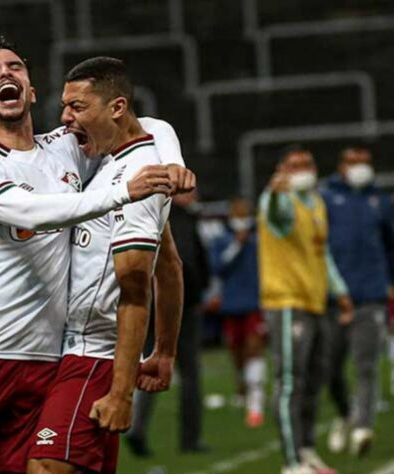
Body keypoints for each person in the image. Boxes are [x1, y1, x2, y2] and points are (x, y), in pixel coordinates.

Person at [0, 38, 184, 474]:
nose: (5, 72)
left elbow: (146, 124)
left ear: (31, 91)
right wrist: (120, 192)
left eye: (15, 66)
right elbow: (33, 211)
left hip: (47, 359)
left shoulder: (66, 147)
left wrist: (174, 160)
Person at [26, 57, 185, 474]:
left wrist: (121, 395)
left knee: (45, 466)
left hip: (92, 356)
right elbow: (169, 265)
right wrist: (164, 353)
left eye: (77, 107)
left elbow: (135, 293)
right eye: (65, 105)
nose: (65, 118)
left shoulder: (139, 180)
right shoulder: (124, 161)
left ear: (115, 108)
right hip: (78, 355)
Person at [258, 147, 353, 474]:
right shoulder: (279, 199)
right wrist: (274, 193)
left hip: (315, 301)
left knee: (315, 380)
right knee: (289, 383)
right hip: (286, 302)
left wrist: (339, 290)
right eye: (294, 165)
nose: (302, 170)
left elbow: (320, 252)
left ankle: (307, 449)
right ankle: (291, 461)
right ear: (281, 169)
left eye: (307, 164)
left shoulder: (316, 204)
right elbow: (277, 215)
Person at [320, 147, 394, 456]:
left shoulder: (381, 201)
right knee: (330, 368)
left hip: (371, 296)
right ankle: (346, 414)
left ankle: (363, 427)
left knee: (366, 365)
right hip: (333, 299)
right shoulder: (325, 199)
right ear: (341, 166)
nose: (361, 167)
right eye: (354, 162)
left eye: (365, 162)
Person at [127, 189, 212, 455]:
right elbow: (182, 263)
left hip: (150, 303)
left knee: (150, 366)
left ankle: (137, 428)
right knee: (189, 374)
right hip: (177, 307)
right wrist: (197, 293)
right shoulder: (181, 218)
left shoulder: (151, 214)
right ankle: (190, 438)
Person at [209, 197, 266, 428]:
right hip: (231, 304)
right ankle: (242, 383)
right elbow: (218, 268)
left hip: (254, 303)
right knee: (236, 351)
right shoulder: (222, 241)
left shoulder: (258, 241)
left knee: (254, 347)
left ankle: (256, 402)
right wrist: (236, 245)